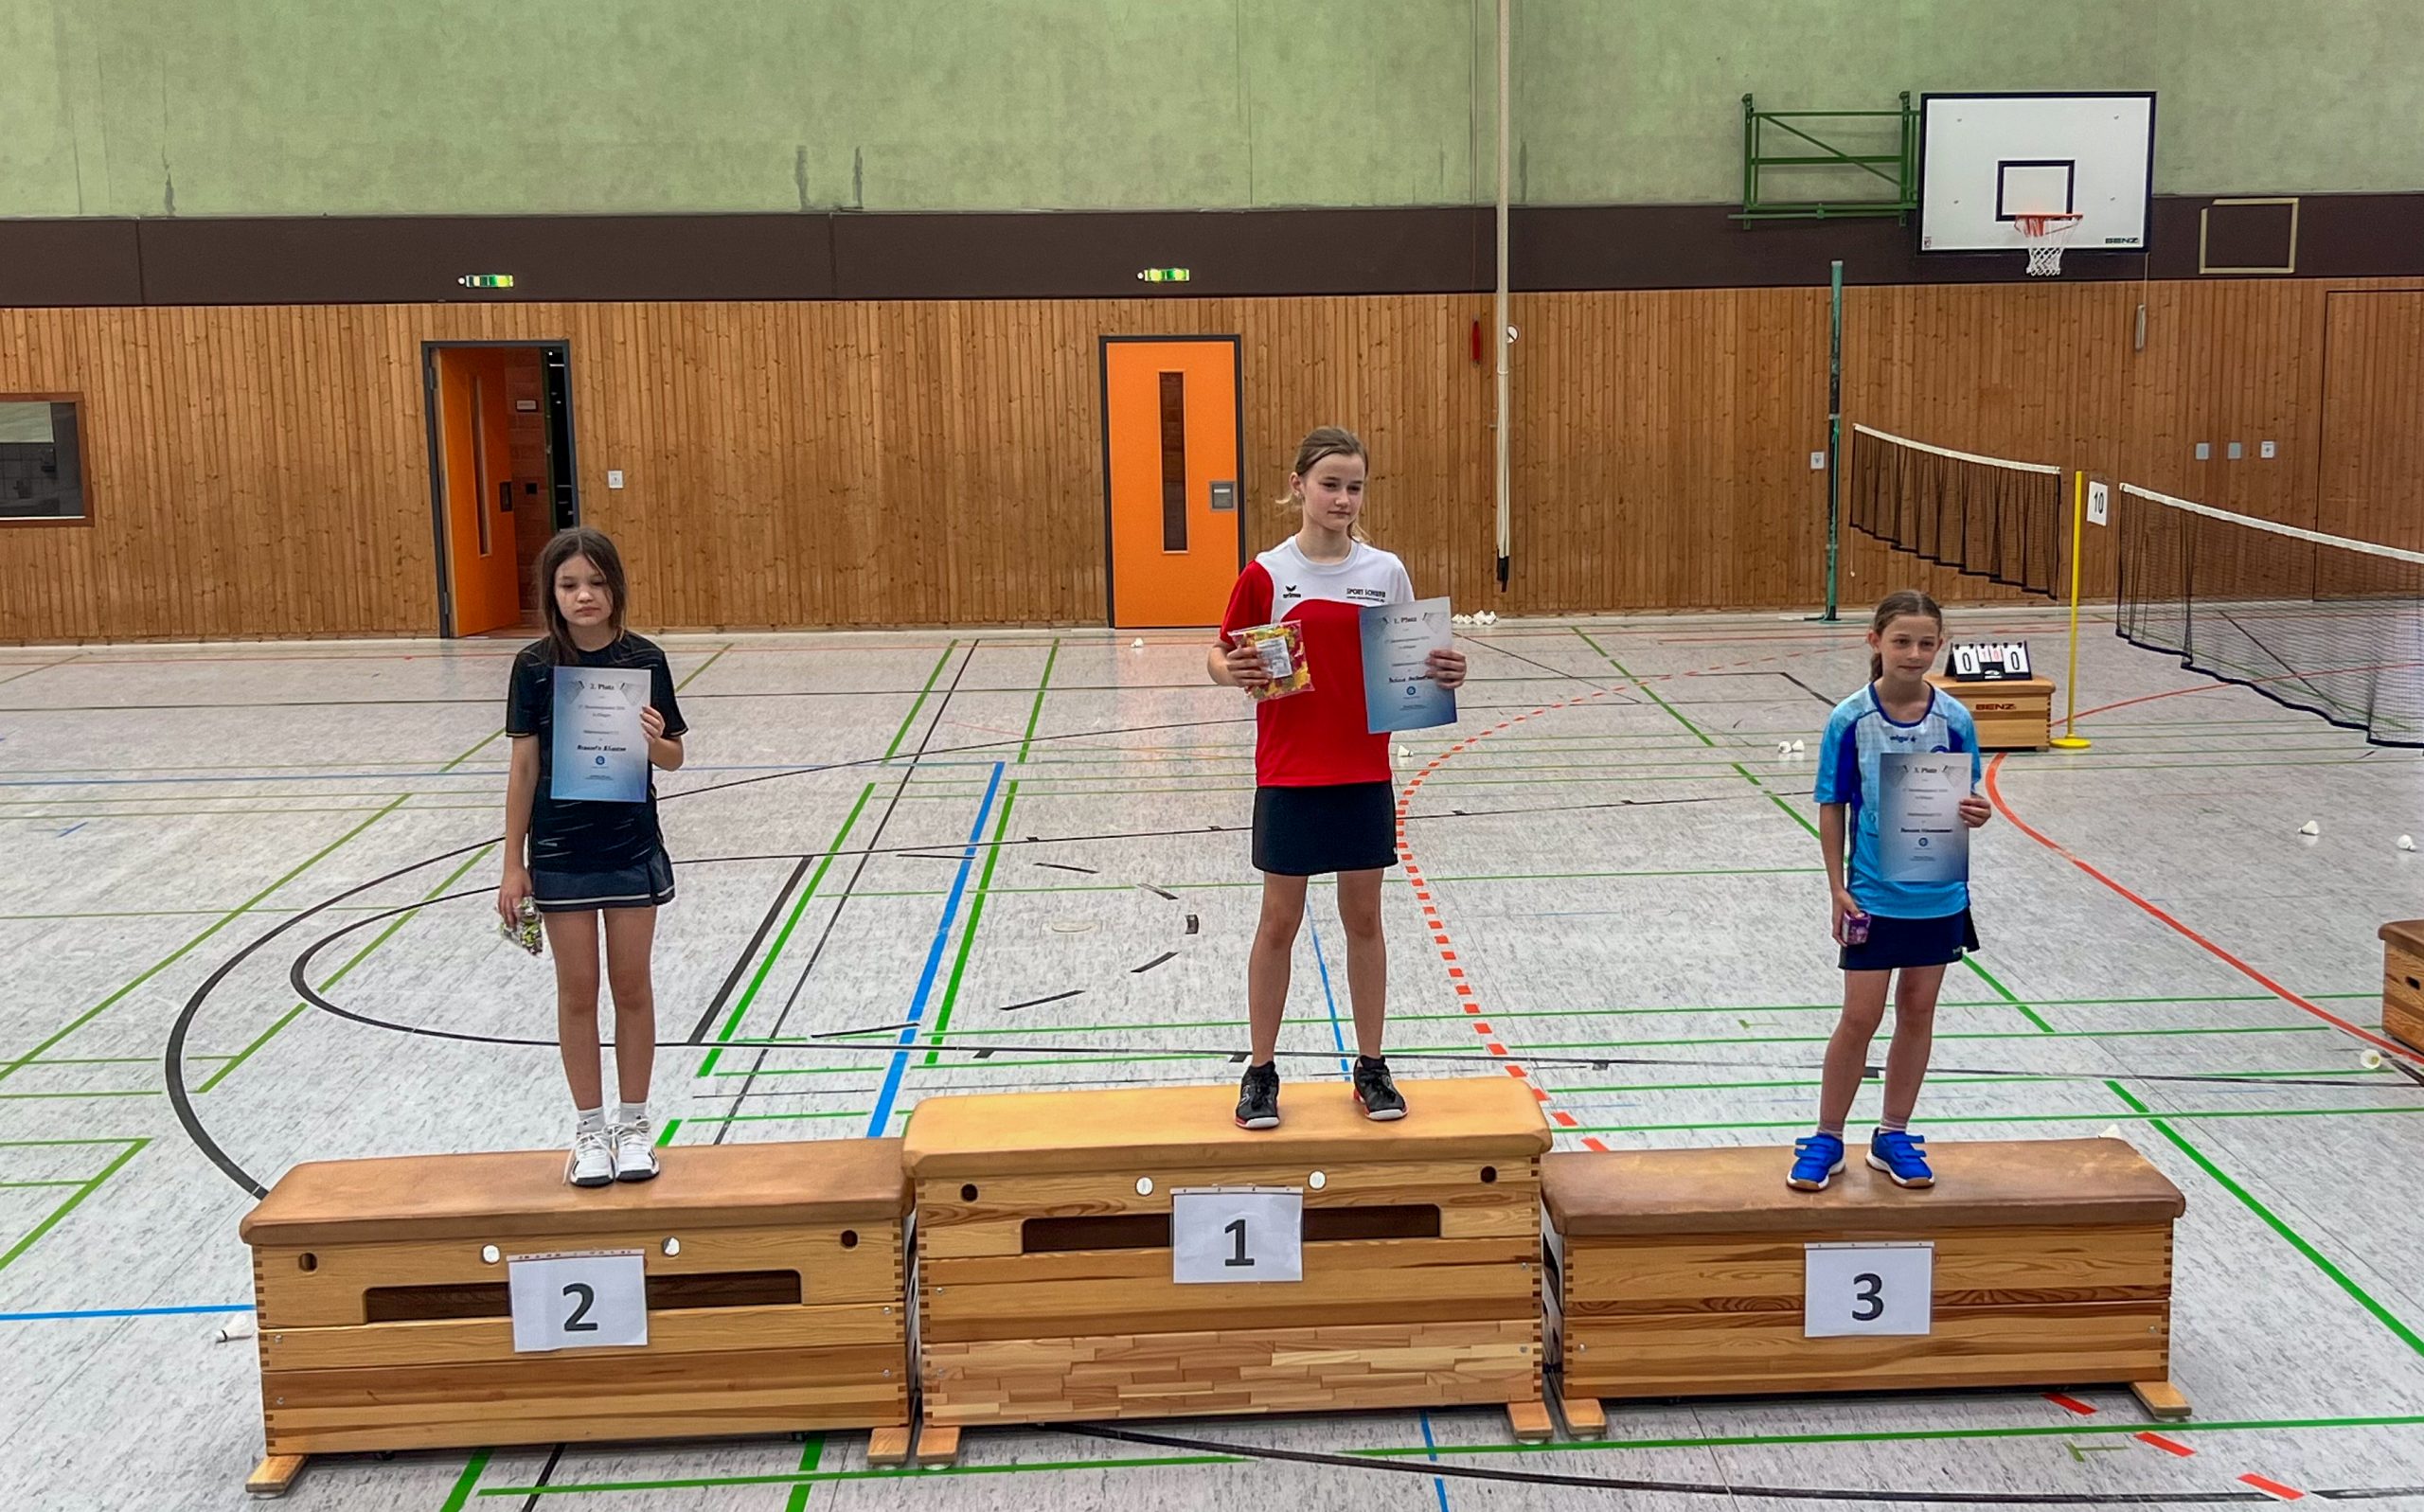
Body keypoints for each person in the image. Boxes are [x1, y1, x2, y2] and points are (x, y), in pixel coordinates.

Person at [1209, 426, 1466, 1130]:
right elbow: (1221, 653)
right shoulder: (1267, 574)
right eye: (1330, 485)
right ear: (1298, 485)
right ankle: (1261, 1072)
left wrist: (1445, 671)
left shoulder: (1385, 572)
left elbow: (1412, 664)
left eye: (1355, 487)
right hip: (1289, 775)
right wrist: (1229, 669)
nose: (1343, 499)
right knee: (1278, 922)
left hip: (1361, 773)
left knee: (1364, 919)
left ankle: (1372, 1066)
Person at [495, 527, 688, 1187]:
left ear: (616, 588)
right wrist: (513, 862)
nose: (585, 595)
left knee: (631, 987)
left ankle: (634, 1127)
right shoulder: (533, 667)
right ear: (551, 593)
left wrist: (656, 740)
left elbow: (674, 757)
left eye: (597, 582)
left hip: (630, 845)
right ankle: (589, 1132)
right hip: (560, 851)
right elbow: (523, 768)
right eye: (570, 584)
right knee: (577, 992)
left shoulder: (646, 659)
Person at [1790, 589, 1991, 1193]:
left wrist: (1978, 811)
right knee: (1860, 1016)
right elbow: (1832, 805)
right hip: (1873, 895)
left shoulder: (1955, 720)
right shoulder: (1850, 719)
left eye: (1927, 643)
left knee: (1919, 1010)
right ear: (1875, 641)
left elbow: (1968, 797)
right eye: (1902, 641)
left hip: (1938, 893)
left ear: (1941, 646)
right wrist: (1837, 888)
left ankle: (1893, 1134)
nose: (1914, 653)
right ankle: (1827, 1136)